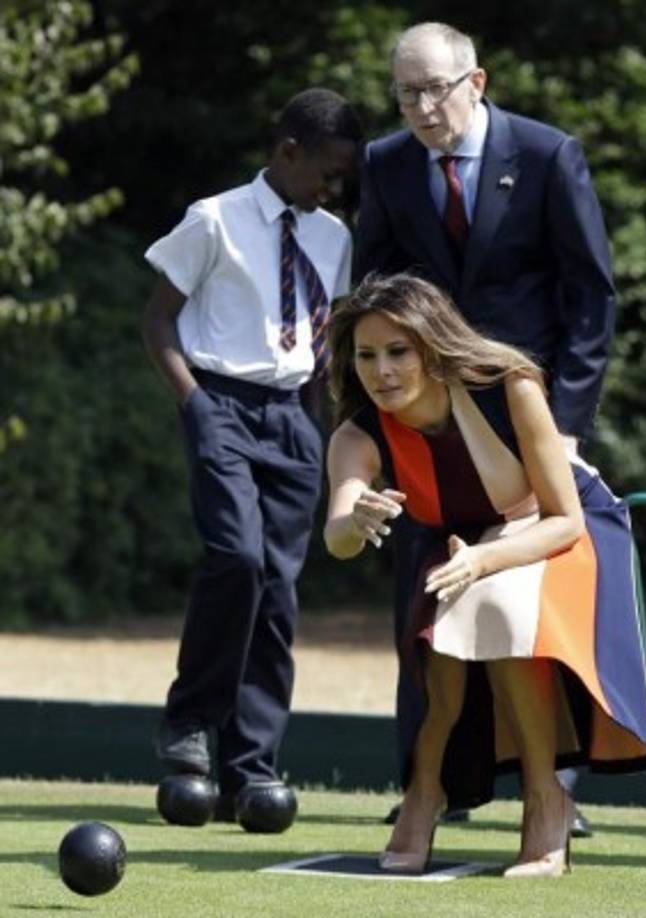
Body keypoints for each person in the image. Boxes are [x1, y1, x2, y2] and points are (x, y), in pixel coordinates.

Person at [354, 22, 616, 835]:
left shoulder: (546, 155)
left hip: (528, 418)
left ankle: (554, 789)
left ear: (477, 81)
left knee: (527, 607)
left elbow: (590, 298)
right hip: (424, 422)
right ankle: (430, 786)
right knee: (423, 605)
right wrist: (371, 428)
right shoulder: (384, 164)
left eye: (436, 88)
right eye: (406, 92)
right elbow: (368, 290)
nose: (422, 107)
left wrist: (565, 424)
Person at [323, 272, 646, 876]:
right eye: (366, 355)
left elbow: (563, 519)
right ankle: (424, 794)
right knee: (443, 657)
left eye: (398, 351)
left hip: (563, 527)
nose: (382, 371)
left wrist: (481, 561)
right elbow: (338, 533)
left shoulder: (510, 386)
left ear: (431, 345)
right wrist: (357, 520)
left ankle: (545, 798)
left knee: (495, 606)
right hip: (462, 538)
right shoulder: (357, 432)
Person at [141, 88, 363, 825]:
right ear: (288, 151)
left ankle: (251, 763)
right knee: (235, 558)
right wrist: (197, 407)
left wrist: (324, 433)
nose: (331, 189)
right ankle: (190, 724)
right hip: (221, 404)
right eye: (326, 173)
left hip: (293, 416)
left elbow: (325, 342)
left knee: (277, 590)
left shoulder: (332, 236)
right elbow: (158, 320)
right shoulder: (214, 219)